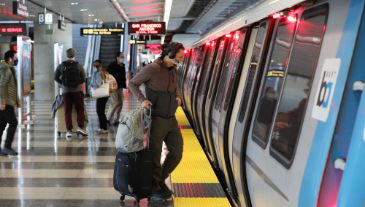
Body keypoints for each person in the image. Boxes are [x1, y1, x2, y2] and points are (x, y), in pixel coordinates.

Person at [129, 42, 185, 200]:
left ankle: (160, 180)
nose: (181, 60)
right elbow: (133, 83)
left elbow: (175, 87)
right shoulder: (152, 68)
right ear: (171, 54)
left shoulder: (173, 69)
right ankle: (154, 188)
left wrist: (178, 96)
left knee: (177, 152)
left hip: (171, 118)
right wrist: (142, 99)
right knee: (155, 154)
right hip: (156, 118)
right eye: (180, 57)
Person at [54, 48, 88, 140]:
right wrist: (78, 83)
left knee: (67, 110)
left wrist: (63, 83)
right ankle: (80, 127)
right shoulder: (78, 65)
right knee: (80, 108)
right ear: (75, 55)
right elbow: (84, 79)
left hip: (66, 91)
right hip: (77, 90)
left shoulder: (61, 65)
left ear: (67, 55)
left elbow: (55, 77)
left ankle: (69, 130)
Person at [0, 50, 20, 156]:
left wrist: (17, 100)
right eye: (15, 57)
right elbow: (2, 86)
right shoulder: (5, 69)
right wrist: (2, 102)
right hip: (5, 102)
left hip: (8, 101)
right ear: (10, 59)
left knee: (1, 125)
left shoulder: (10, 69)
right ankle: (7, 147)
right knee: (13, 123)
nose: (17, 59)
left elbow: (13, 87)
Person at [106, 52, 126, 124]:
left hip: (120, 87)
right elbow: (107, 75)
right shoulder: (112, 65)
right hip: (113, 87)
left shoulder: (122, 66)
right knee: (115, 102)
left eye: (123, 56)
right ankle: (108, 118)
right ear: (117, 57)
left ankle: (116, 119)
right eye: (121, 56)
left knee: (120, 103)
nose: (122, 58)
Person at [90, 60, 109, 134]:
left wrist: (91, 85)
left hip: (102, 95)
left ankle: (104, 128)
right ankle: (101, 127)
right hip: (103, 95)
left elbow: (98, 84)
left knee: (100, 112)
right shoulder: (102, 72)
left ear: (94, 66)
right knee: (100, 111)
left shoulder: (98, 73)